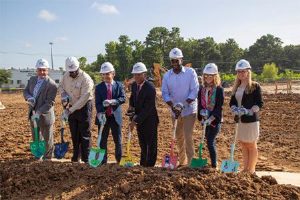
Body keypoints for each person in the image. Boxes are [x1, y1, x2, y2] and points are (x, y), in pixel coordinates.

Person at [161, 48, 199, 167]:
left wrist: (183, 104)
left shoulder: (190, 72)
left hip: (189, 110)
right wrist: (173, 106)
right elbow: (165, 93)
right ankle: (182, 162)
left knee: (187, 135)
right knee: (179, 137)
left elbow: (194, 90)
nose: (175, 63)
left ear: (181, 60)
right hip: (175, 112)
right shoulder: (167, 76)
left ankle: (191, 163)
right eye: (173, 61)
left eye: (177, 61)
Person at [229, 59, 263, 174]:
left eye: (243, 71)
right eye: (239, 71)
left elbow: (259, 103)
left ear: (248, 72)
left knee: (251, 144)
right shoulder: (236, 87)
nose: (241, 74)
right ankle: (245, 168)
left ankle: (251, 169)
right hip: (240, 120)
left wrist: (249, 111)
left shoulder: (254, 86)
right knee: (243, 143)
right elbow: (232, 102)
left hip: (251, 121)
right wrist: (234, 108)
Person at [59, 56, 94, 163]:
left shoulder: (86, 79)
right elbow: (60, 86)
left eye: (74, 71)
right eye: (70, 71)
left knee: (84, 133)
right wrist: (63, 94)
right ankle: (76, 156)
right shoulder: (66, 76)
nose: (72, 73)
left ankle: (86, 158)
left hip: (84, 107)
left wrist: (69, 110)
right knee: (74, 132)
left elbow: (83, 99)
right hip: (71, 106)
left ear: (78, 68)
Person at [23, 58, 58, 160]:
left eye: (44, 70)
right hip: (32, 113)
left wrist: (38, 112)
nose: (42, 72)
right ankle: (38, 155)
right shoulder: (32, 80)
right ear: (36, 70)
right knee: (36, 136)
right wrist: (29, 97)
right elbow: (25, 91)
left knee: (47, 139)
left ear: (48, 70)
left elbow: (49, 102)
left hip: (44, 115)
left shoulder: (51, 84)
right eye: (40, 70)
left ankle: (48, 157)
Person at [129, 62, 159, 167]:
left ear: (144, 75)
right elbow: (132, 98)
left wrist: (135, 120)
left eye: (139, 74)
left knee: (151, 144)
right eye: (135, 74)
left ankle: (150, 165)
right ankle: (143, 163)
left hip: (150, 120)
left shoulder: (150, 88)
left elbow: (148, 108)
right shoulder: (133, 85)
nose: (136, 77)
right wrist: (131, 109)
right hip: (139, 119)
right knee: (142, 143)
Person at [95, 62, 125, 164]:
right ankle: (103, 161)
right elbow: (97, 103)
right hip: (103, 117)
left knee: (118, 140)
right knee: (103, 140)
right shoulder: (99, 87)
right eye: (103, 74)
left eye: (108, 74)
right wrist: (101, 111)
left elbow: (123, 98)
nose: (106, 76)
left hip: (115, 116)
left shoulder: (119, 85)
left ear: (113, 73)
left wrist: (113, 101)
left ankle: (119, 160)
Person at [197, 63, 224, 168]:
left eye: (211, 75)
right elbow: (200, 104)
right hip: (204, 120)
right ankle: (210, 162)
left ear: (215, 76)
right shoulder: (202, 89)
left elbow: (218, 107)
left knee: (210, 141)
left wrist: (211, 118)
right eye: (206, 75)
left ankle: (214, 165)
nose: (208, 78)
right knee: (206, 140)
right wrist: (201, 115)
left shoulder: (219, 90)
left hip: (214, 121)